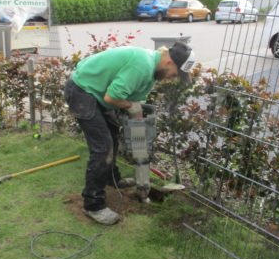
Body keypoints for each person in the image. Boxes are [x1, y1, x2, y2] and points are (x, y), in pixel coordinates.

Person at [64, 41, 196, 225]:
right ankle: (93, 204)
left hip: (96, 92)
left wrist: (140, 139)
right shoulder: (142, 66)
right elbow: (112, 97)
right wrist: (130, 106)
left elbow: (135, 108)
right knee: (103, 148)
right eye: (175, 74)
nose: (172, 78)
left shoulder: (150, 73)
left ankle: (112, 179)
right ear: (169, 63)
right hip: (82, 91)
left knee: (112, 138)